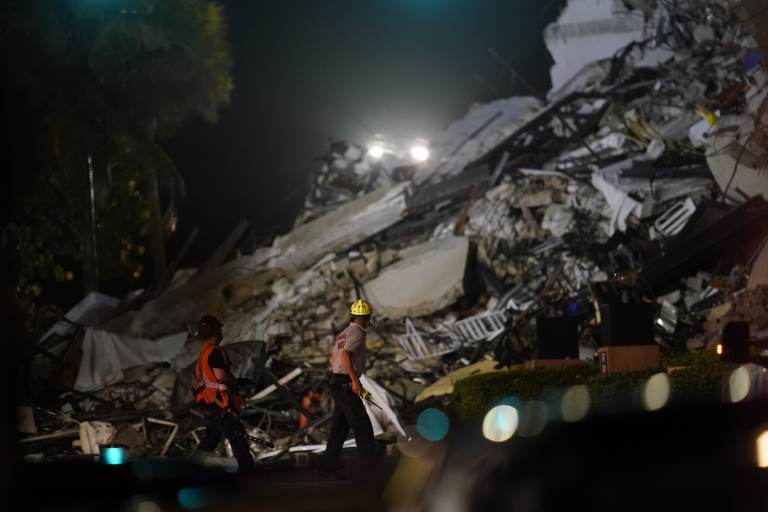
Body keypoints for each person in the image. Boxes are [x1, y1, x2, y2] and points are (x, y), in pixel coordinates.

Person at [192, 314, 254, 472]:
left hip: (210, 402)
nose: (221, 332)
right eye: (219, 328)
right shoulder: (214, 352)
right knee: (236, 435)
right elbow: (220, 376)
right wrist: (237, 381)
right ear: (216, 331)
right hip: (220, 403)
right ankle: (247, 468)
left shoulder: (204, 353)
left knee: (211, 437)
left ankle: (192, 466)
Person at [319, 299, 376, 472]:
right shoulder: (358, 333)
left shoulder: (344, 332)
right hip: (345, 383)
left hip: (337, 381)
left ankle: (327, 466)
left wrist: (340, 376)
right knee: (362, 425)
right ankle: (369, 468)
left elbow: (333, 358)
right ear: (367, 317)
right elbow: (345, 356)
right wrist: (354, 381)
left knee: (339, 428)